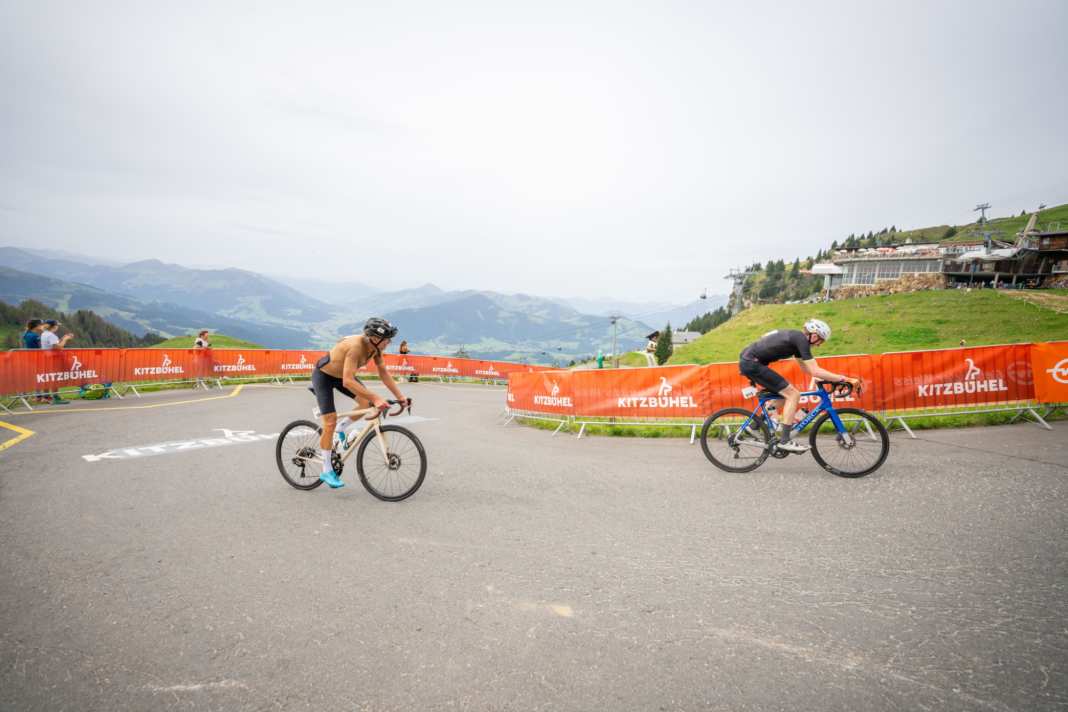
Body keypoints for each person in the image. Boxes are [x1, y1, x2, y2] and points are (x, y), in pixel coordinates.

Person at [311, 317, 409, 489]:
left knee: (366, 404)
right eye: (387, 339)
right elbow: (348, 382)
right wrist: (377, 398)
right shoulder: (356, 347)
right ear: (376, 338)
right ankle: (327, 469)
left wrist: (400, 397)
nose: (389, 342)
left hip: (342, 376)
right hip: (324, 376)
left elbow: (384, 373)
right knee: (330, 421)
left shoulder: (375, 349)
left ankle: (342, 428)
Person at [738, 319, 861, 453]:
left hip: (750, 362)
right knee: (793, 394)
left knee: (783, 396)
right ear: (814, 335)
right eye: (821, 340)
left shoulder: (797, 341)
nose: (819, 345)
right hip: (752, 363)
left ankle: (754, 425)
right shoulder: (800, 340)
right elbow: (815, 370)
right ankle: (785, 440)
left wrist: (828, 379)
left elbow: (806, 369)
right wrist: (844, 379)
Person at [40, 320, 74, 404]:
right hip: (53, 358)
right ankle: (55, 397)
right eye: (57, 325)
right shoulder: (51, 335)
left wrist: (62, 338)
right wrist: (65, 339)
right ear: (54, 326)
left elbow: (53, 344)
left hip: (46, 357)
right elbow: (57, 347)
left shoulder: (44, 333)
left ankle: (46, 396)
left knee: (48, 377)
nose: (58, 327)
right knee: (55, 377)